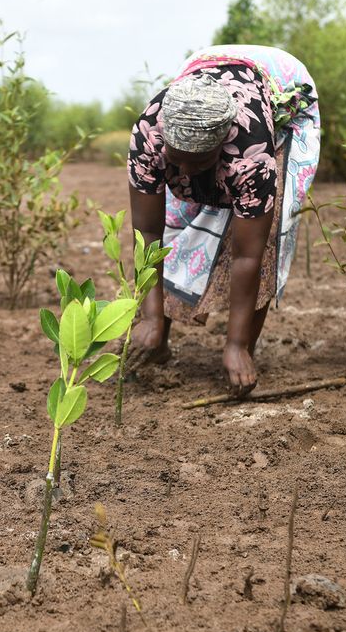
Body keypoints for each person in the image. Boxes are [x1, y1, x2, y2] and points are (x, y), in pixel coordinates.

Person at [126, 44, 320, 393]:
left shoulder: (251, 155)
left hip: (284, 90)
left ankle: (244, 349)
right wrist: (151, 316)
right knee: (178, 223)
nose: (183, 172)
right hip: (205, 70)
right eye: (176, 160)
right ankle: (159, 341)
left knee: (271, 231)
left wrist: (235, 343)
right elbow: (149, 234)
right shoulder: (148, 137)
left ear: (221, 147)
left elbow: (250, 256)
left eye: (198, 162)